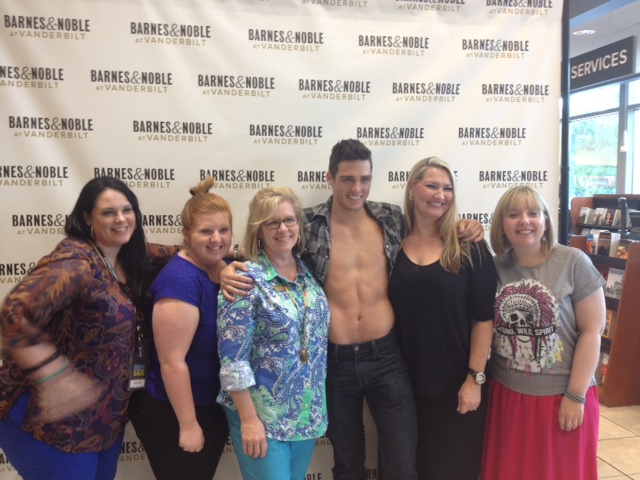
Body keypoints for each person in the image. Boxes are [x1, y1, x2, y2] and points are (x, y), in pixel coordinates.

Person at [221, 139, 484, 480]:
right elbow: (268, 246)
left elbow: (432, 228)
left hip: (387, 356)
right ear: (330, 178)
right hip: (335, 361)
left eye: (364, 179)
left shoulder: (391, 218)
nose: (356, 188)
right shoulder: (308, 223)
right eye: (347, 179)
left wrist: (468, 226)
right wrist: (225, 268)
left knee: (402, 460)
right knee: (347, 462)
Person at [0, 177, 175, 480]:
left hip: (104, 423)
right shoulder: (77, 261)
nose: (121, 219)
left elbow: (191, 252)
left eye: (127, 210)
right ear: (87, 218)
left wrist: (225, 264)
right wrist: (53, 374)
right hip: (50, 422)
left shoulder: (130, 254)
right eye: (108, 212)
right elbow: (14, 313)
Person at [480, 186, 606, 480]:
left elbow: (592, 331)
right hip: (508, 396)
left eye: (533, 213)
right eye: (514, 214)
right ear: (501, 224)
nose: (524, 220)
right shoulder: (493, 267)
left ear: (546, 221)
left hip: (562, 396)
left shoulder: (574, 262)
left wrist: (575, 396)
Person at [388, 157, 497, 480]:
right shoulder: (390, 244)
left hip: (456, 387)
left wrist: (474, 380)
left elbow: (483, 320)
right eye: (432, 186)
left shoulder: (470, 248)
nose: (440, 195)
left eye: (447, 188)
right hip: (399, 389)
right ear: (411, 189)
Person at [217, 187, 330, 480]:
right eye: (272, 222)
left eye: (290, 220)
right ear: (259, 230)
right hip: (260, 416)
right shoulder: (244, 279)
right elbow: (233, 361)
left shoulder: (309, 274)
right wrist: (249, 420)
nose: (283, 229)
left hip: (305, 414)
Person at [128, 177, 230, 480]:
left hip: (208, 403)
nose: (216, 239)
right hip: (172, 411)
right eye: (206, 231)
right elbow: (171, 362)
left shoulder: (218, 267)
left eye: (224, 230)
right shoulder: (179, 281)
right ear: (186, 233)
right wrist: (188, 424)